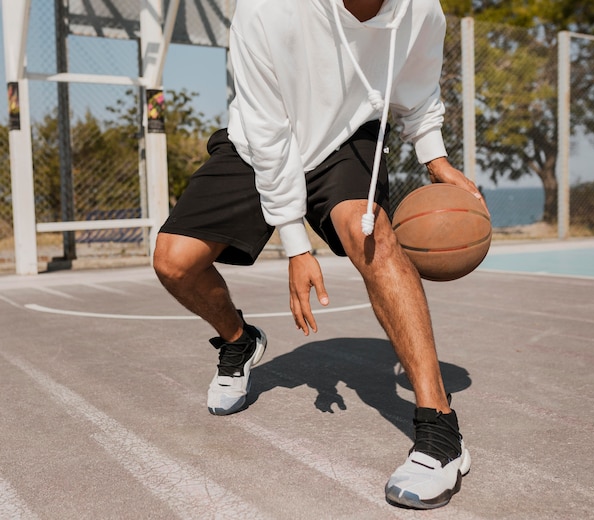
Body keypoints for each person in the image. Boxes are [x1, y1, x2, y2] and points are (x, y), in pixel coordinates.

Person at [153, 0, 486, 510]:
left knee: (372, 238)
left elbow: (417, 93)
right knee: (174, 261)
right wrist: (295, 242)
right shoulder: (266, 10)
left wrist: (434, 158)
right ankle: (239, 342)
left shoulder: (421, 10)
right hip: (260, 143)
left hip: (348, 137)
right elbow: (268, 133)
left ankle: (440, 431)